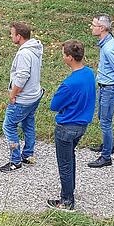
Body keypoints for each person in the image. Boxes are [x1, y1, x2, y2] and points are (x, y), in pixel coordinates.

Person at [47, 40, 96, 211]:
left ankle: (67, 200)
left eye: (63, 54)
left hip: (66, 127)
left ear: (69, 58)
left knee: (65, 164)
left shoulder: (69, 84)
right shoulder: (90, 74)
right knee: (71, 158)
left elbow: (54, 105)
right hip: (82, 125)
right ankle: (70, 190)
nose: (62, 57)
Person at [0, 22, 44, 173]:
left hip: (23, 99)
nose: (11, 36)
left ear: (19, 36)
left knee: (9, 126)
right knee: (28, 122)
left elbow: (23, 76)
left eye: (12, 34)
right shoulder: (36, 49)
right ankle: (28, 154)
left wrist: (13, 94)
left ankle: (15, 160)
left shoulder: (24, 53)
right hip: (34, 95)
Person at [88, 14, 114, 168]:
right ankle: (108, 145)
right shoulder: (109, 43)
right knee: (102, 117)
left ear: (103, 28)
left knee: (105, 121)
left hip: (110, 88)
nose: (91, 27)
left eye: (94, 25)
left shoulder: (109, 48)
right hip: (105, 86)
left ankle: (106, 156)